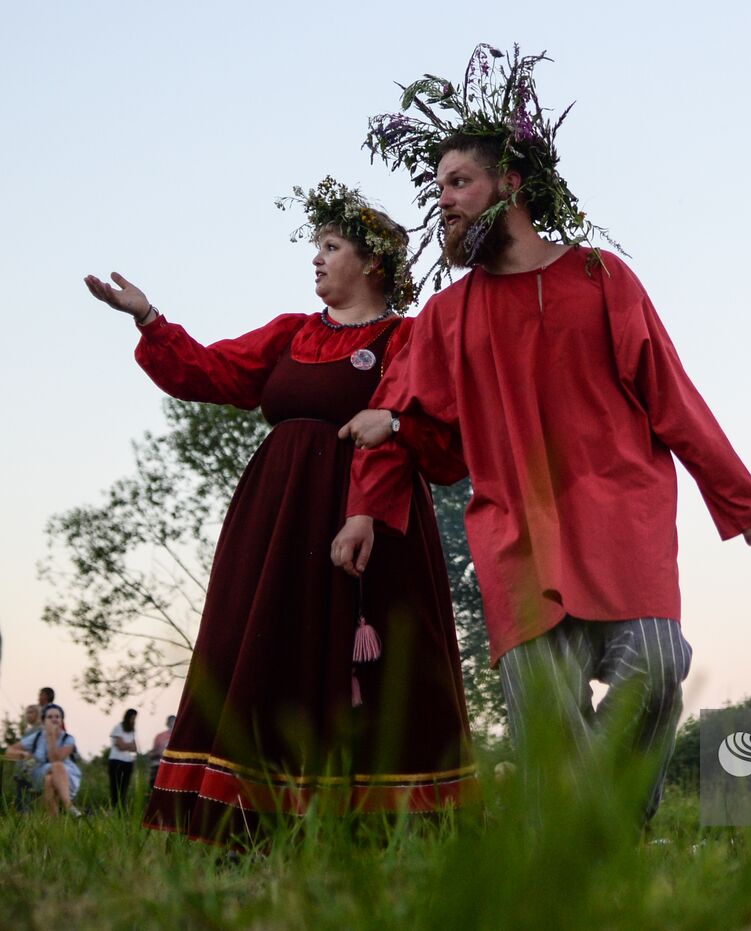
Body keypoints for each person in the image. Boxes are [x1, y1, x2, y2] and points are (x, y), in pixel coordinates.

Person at [334, 46, 751, 821]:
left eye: (459, 182)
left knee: (656, 668)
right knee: (544, 712)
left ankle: (597, 838)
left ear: (510, 182)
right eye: (437, 187)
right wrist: (365, 505)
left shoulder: (602, 279)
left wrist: (747, 508)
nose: (444, 201)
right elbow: (401, 422)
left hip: (621, 520)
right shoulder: (444, 318)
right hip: (515, 535)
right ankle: (587, 868)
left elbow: (675, 398)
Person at [83, 178, 477, 848]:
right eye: (316, 246)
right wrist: (150, 319)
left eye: (331, 246)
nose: (316, 258)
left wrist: (366, 509)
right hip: (277, 519)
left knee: (373, 673)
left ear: (373, 262)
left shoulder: (405, 337)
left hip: (368, 522)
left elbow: (434, 433)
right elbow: (211, 371)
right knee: (264, 648)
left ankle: (378, 834)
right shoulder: (291, 334)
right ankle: (248, 824)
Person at [4, 704, 82, 816]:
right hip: (39, 772)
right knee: (54, 768)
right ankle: (69, 805)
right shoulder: (37, 736)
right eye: (50, 717)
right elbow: (9, 751)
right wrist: (23, 754)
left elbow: (55, 758)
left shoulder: (68, 739)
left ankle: (54, 823)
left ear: (61, 720)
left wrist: (51, 737)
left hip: (66, 775)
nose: (54, 719)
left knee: (50, 778)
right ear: (43, 720)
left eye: (57, 716)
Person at [109, 708, 139, 808]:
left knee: (124, 787)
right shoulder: (118, 727)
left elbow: (134, 748)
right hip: (116, 761)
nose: (133, 720)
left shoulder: (132, 730)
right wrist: (129, 745)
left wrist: (128, 745)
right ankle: (114, 807)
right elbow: (120, 746)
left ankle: (121, 808)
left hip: (128, 762)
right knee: (115, 787)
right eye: (132, 718)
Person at [148, 714, 175, 791]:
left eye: (174, 721)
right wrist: (155, 754)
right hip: (159, 765)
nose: (172, 724)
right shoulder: (160, 736)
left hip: (172, 767)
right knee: (154, 786)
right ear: (167, 723)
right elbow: (153, 752)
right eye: (171, 722)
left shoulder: (180, 738)